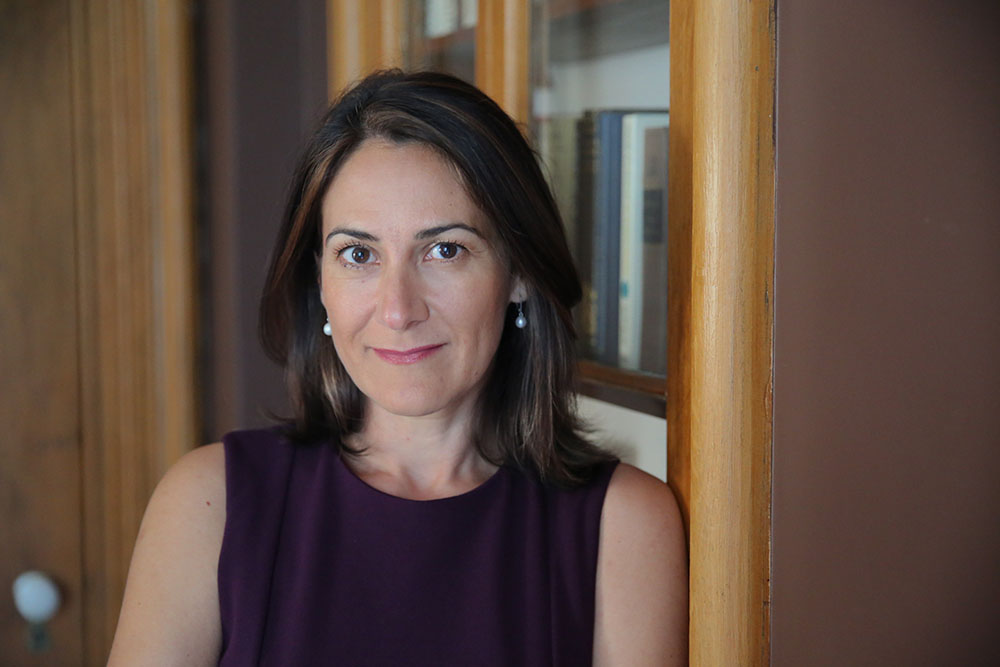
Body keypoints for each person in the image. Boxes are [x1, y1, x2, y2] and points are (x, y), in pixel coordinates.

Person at [108, 70, 687, 665]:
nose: (397, 309)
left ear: (518, 274)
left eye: (445, 249)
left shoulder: (624, 525)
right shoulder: (210, 502)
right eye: (358, 254)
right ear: (321, 281)